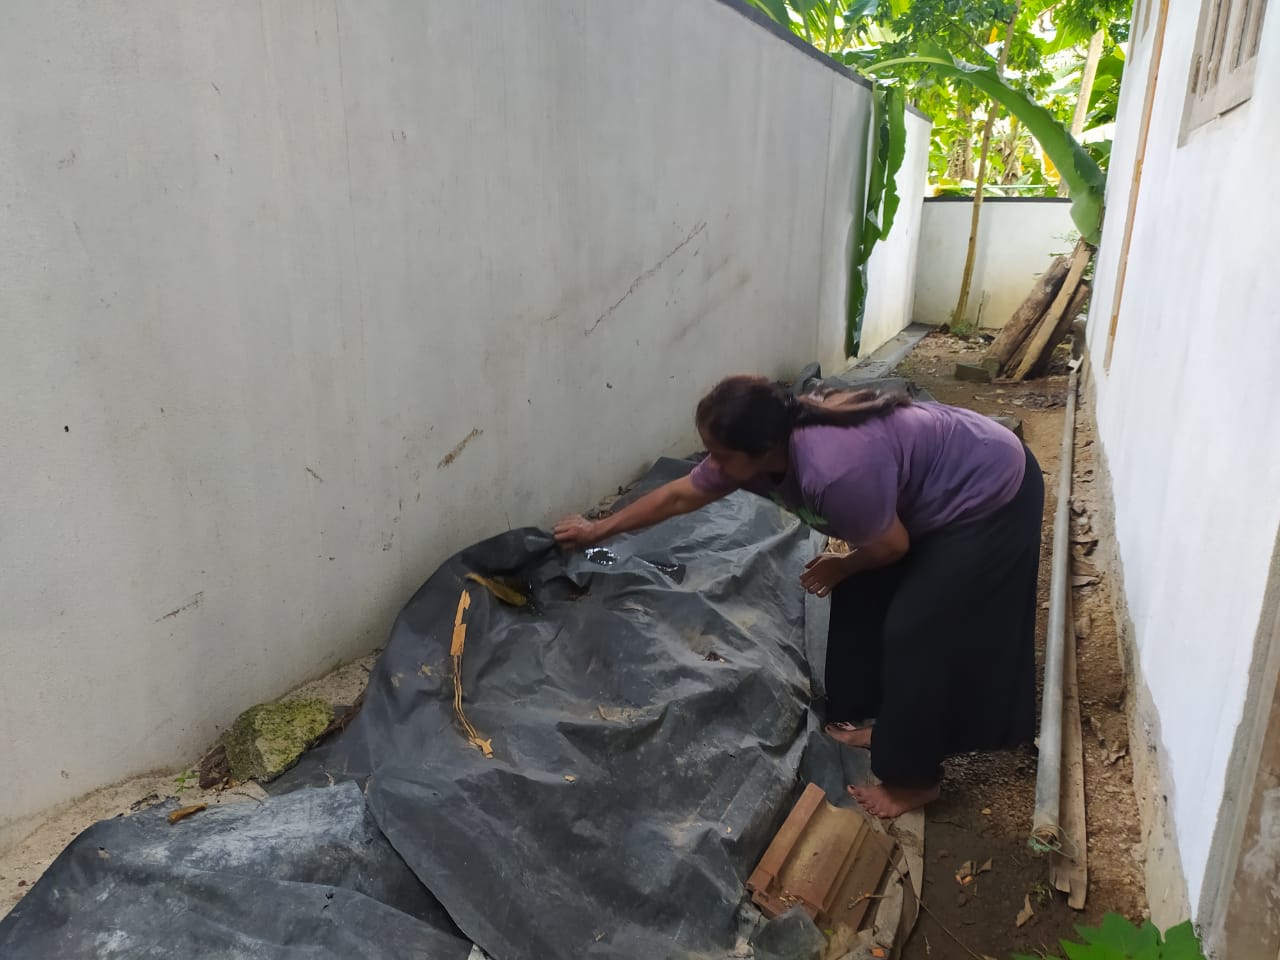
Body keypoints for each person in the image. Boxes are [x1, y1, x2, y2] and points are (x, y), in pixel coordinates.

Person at [554, 375, 1043, 818]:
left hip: (990, 491)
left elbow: (892, 547)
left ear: (763, 449)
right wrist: (598, 530)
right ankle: (888, 723)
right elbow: (680, 494)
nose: (711, 465)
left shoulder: (833, 472)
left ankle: (915, 780)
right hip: (932, 490)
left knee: (916, 630)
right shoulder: (759, 450)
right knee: (865, 596)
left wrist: (843, 563)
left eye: (720, 455)